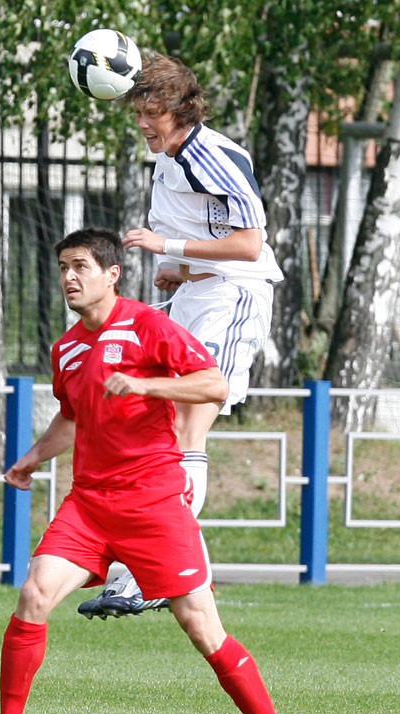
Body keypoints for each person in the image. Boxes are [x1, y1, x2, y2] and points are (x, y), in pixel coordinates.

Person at [0, 227, 303, 714]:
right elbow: (71, 418)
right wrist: (32, 458)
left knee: (201, 626)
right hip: (88, 504)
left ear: (112, 274)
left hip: (153, 503)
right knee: (34, 595)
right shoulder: (67, 348)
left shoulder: (149, 325)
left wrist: (149, 386)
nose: (70, 277)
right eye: (63, 268)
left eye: (81, 266)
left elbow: (214, 384)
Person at [78, 52, 284, 620]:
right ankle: (177, 573)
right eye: (138, 113)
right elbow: (214, 236)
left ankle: (144, 576)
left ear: (181, 111)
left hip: (234, 298)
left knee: (185, 427)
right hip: (199, 294)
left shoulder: (210, 156)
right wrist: (183, 270)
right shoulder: (170, 160)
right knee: (153, 430)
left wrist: (166, 248)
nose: (143, 124)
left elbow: (249, 245)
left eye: (152, 114)